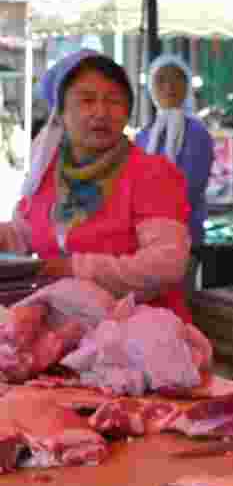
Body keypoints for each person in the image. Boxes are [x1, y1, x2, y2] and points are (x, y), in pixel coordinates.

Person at [0, 50, 193, 322]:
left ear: (127, 113)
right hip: (59, 331)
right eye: (86, 100)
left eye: (114, 101)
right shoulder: (47, 173)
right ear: (61, 114)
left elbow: (166, 264)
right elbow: (23, 235)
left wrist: (75, 268)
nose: (101, 112)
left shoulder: (151, 174)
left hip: (139, 339)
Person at [134, 54, 214, 250]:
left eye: (177, 79)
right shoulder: (144, 135)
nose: (169, 87)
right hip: (145, 236)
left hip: (186, 232)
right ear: (151, 87)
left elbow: (193, 184)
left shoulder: (197, 133)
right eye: (161, 80)